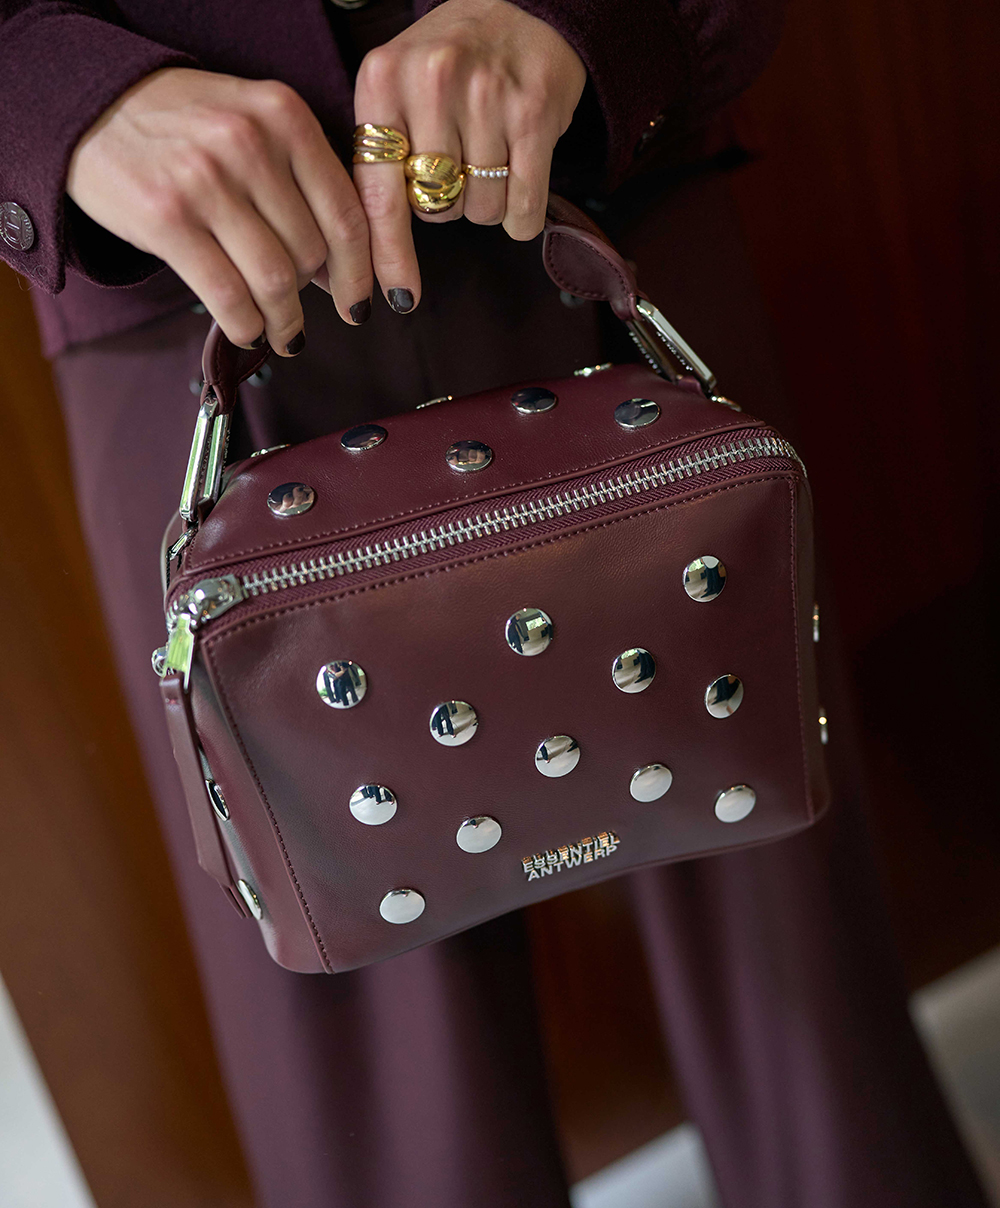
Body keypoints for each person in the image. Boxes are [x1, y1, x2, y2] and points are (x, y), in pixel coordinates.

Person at [0, 1, 990, 1205]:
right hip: (183, 260)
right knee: (380, 1079)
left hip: (591, 153)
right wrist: (46, 95)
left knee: (799, 958)